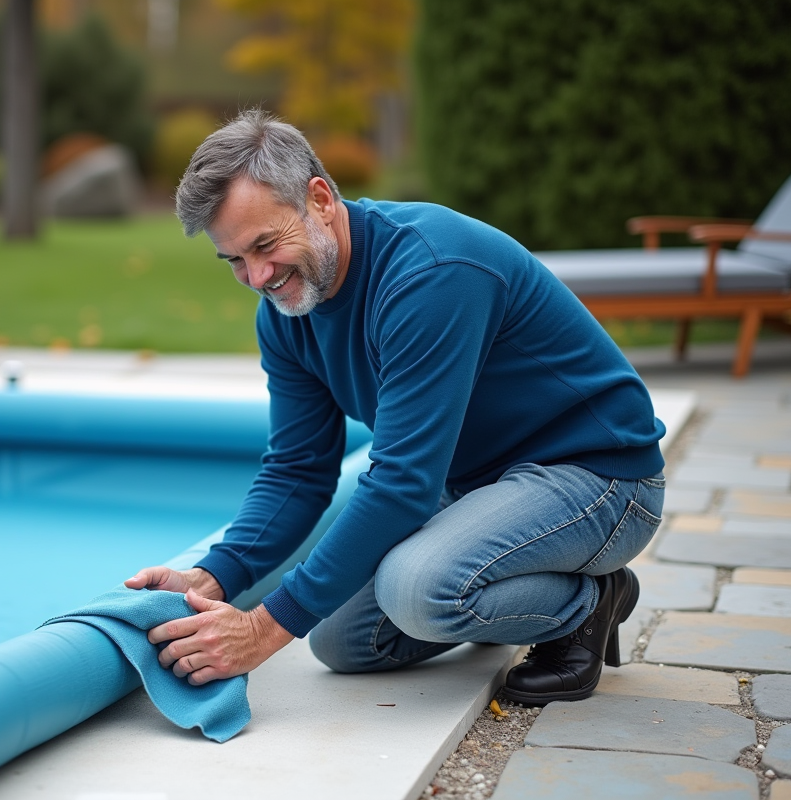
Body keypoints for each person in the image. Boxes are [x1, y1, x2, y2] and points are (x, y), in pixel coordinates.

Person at [124, 109, 665, 706]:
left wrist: (263, 629)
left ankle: (588, 604)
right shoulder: (286, 313)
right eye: (233, 260)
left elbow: (404, 483)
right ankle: (496, 584)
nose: (257, 276)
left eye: (265, 244)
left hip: (598, 477)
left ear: (320, 200)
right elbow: (298, 469)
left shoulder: (432, 272)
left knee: (417, 591)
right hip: (475, 485)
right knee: (342, 642)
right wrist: (213, 576)